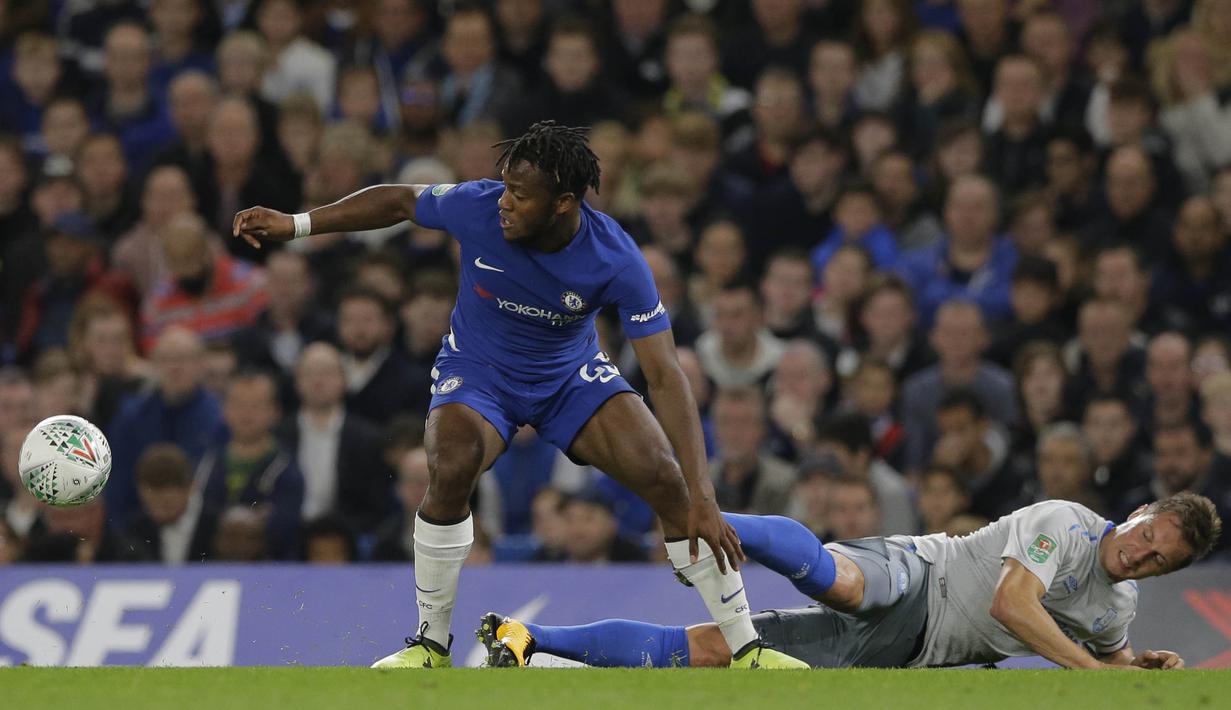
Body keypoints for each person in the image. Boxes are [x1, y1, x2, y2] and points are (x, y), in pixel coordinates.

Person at [232, 121, 804, 669]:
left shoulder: (616, 257)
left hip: (569, 377)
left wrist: (704, 493)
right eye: (505, 187)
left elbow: (665, 376)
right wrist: (297, 224)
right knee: (450, 462)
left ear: (563, 203)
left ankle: (748, 649)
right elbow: (400, 200)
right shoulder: (478, 205)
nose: (504, 202)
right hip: (480, 372)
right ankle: (430, 644)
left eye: (520, 195)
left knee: (667, 480)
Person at [478, 493, 1220, 670]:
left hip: (910, 654)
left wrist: (1133, 664)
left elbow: (1107, 650)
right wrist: (1094, 674)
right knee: (842, 581)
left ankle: (526, 635)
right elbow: (1011, 603)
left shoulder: (1116, 602)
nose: (1142, 555)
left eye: (1162, 560)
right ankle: (706, 514)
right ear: (1138, 513)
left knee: (711, 651)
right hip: (919, 573)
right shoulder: (1066, 521)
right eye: (1147, 535)